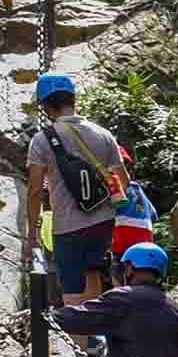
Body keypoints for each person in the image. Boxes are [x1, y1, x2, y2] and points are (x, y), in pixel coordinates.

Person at [22, 72, 133, 316]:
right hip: (103, 223)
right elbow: (124, 180)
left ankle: (80, 348)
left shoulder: (42, 141)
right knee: (93, 273)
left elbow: (34, 191)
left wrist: (33, 233)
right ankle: (95, 343)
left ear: (46, 106)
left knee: (72, 292)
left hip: (68, 226)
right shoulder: (103, 134)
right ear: (73, 99)